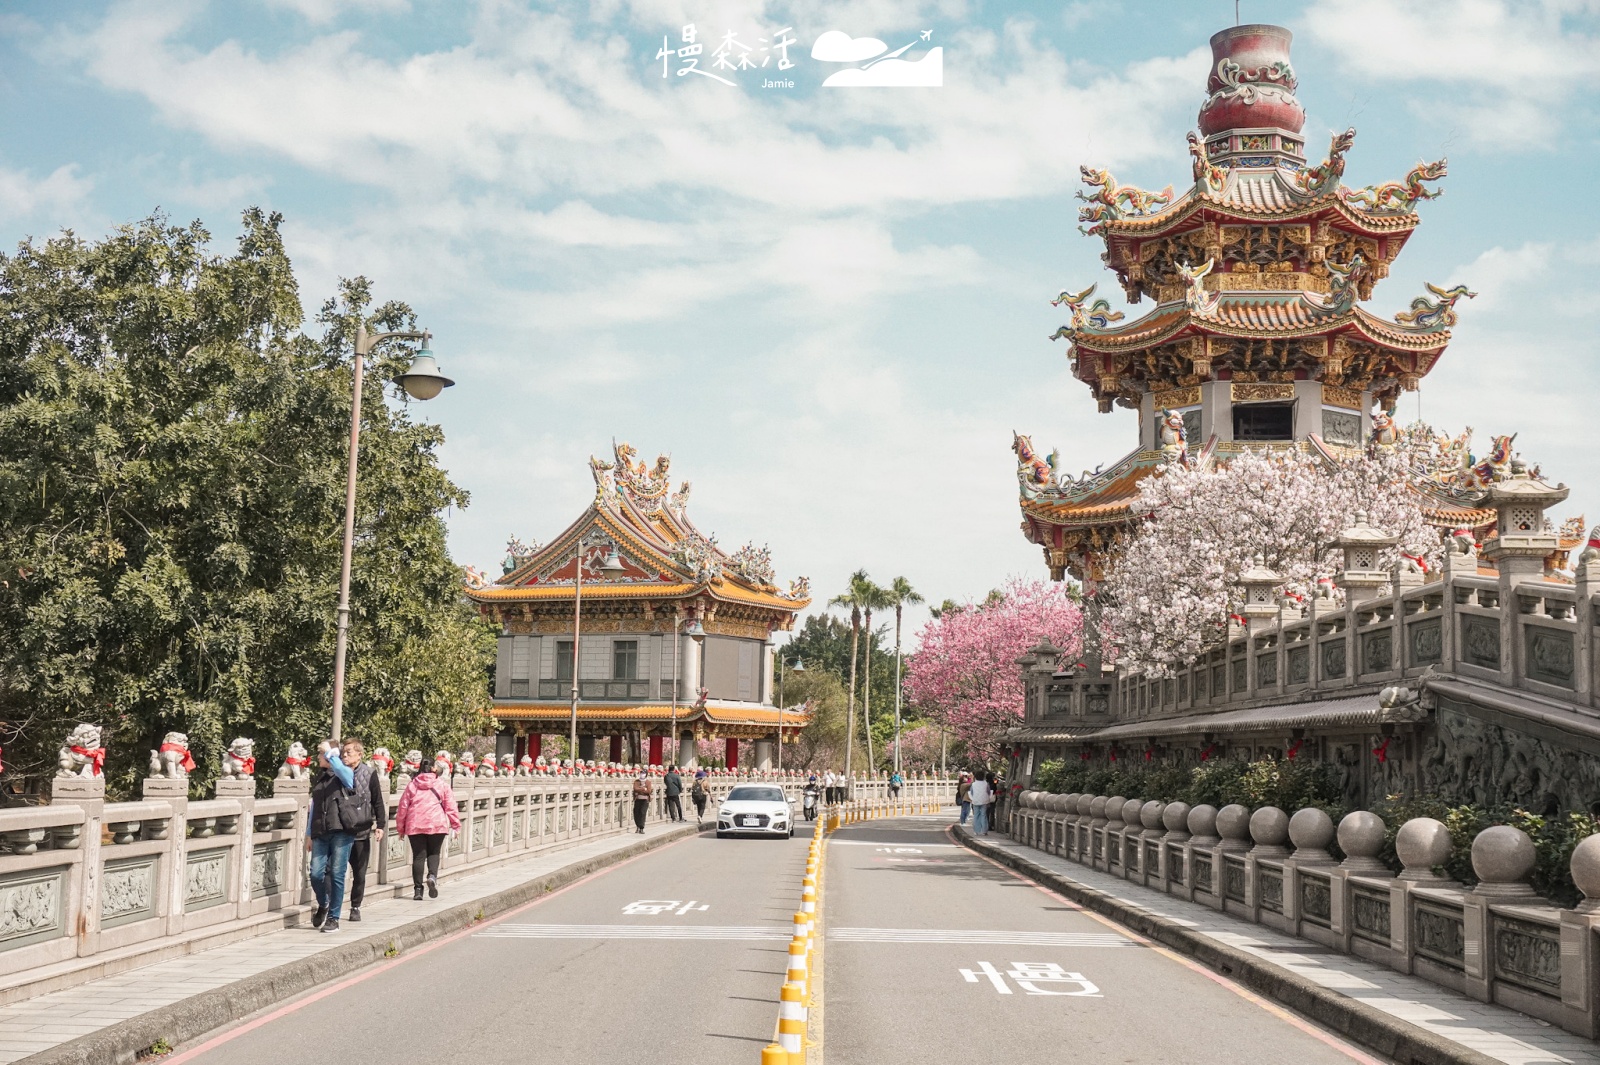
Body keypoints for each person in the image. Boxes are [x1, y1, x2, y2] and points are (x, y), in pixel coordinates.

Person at [306, 739, 359, 933]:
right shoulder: (320, 778)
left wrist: (331, 753)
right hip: (321, 831)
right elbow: (313, 807)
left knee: (337, 873)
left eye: (321, 754)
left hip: (341, 830)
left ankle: (334, 918)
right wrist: (309, 833)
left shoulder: (344, 772)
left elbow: (348, 777)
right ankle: (324, 902)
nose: (318, 757)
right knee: (316, 873)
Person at [394, 754, 461, 900]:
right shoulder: (442, 785)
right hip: (437, 824)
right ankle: (432, 876)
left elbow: (402, 808)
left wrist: (400, 828)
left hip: (415, 824)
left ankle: (418, 890)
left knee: (418, 857)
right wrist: (456, 825)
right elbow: (451, 807)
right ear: (434, 768)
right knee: (434, 853)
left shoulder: (412, 785)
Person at [341, 739, 388, 922]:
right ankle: (329, 906)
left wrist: (381, 825)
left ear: (360, 754)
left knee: (359, 873)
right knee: (334, 871)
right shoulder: (337, 773)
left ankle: (355, 906)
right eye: (343, 753)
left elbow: (378, 801)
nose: (345, 756)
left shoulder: (369, 774)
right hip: (341, 831)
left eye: (349, 752)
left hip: (361, 831)